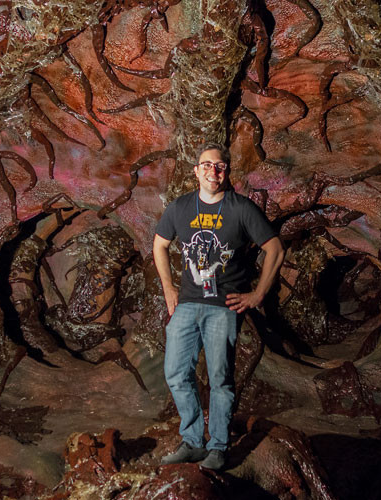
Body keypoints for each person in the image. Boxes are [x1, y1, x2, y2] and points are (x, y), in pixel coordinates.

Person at [153, 143, 284, 470]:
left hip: (222, 307)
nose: (214, 172)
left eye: (221, 166)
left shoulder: (241, 209)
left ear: (227, 172)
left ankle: (219, 446)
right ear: (196, 171)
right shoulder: (180, 209)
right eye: (207, 166)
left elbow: (275, 249)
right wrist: (168, 286)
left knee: (220, 377)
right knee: (175, 372)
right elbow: (159, 244)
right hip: (186, 304)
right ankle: (194, 440)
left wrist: (257, 295)